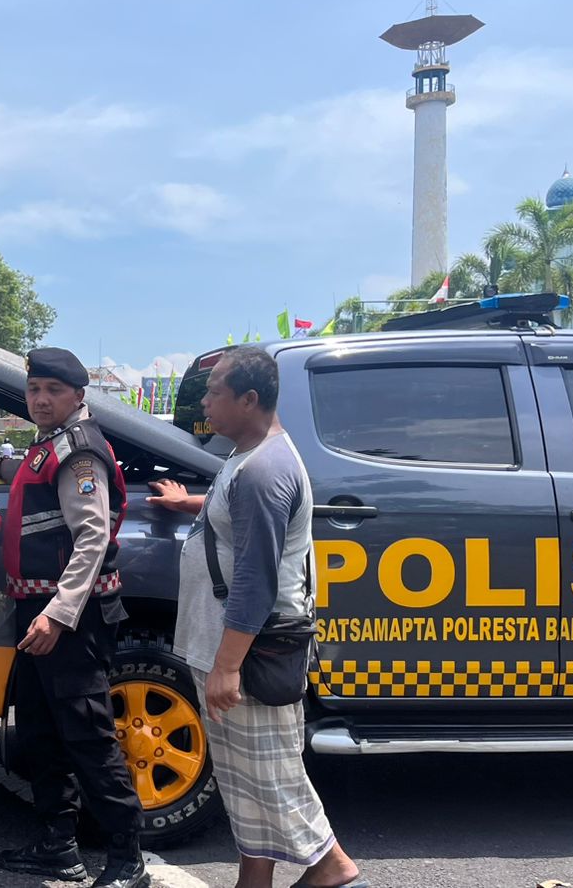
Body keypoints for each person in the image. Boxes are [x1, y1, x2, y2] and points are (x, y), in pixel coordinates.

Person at [148, 346, 366, 888]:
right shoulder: (248, 456)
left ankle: (333, 870)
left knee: (272, 777)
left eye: (214, 390)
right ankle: (255, 878)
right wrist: (192, 503)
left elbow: (256, 580)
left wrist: (226, 667)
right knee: (243, 779)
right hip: (230, 647)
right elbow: (239, 513)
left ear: (249, 399)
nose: (205, 399)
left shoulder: (265, 469)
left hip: (250, 653)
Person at [0, 347, 148, 888]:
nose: (40, 399)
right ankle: (57, 846)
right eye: (34, 389)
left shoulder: (80, 453)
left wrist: (58, 615)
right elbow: (42, 519)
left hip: (69, 618)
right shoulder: (49, 446)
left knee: (87, 734)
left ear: (78, 396)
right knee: (40, 730)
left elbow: (90, 539)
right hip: (37, 610)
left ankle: (128, 858)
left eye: (53, 391)